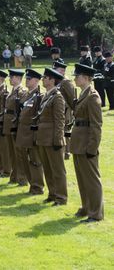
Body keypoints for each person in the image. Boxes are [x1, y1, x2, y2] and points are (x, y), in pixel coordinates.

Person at [70, 63, 104, 223]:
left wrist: (92, 147)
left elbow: (96, 125)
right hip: (78, 142)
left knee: (91, 179)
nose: (75, 79)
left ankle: (96, 213)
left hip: (86, 144)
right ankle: (86, 207)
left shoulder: (93, 96)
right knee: (82, 178)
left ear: (86, 78)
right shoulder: (83, 93)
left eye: (77, 76)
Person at [36, 68, 67, 206]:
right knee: (47, 168)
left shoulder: (58, 97)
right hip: (43, 137)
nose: (43, 79)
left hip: (52, 138)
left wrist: (58, 139)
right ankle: (52, 193)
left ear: (52, 80)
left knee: (57, 169)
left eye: (45, 77)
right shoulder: (47, 95)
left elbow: (60, 120)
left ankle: (61, 197)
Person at [15, 69, 45, 195]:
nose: (27, 81)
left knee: (35, 161)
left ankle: (37, 186)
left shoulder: (39, 96)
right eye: (26, 78)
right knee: (24, 160)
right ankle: (31, 183)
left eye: (29, 79)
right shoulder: (27, 95)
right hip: (22, 131)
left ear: (37, 81)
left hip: (32, 132)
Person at [3, 69, 27, 185]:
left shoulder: (22, 92)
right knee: (11, 153)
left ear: (18, 78)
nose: (10, 79)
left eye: (12, 77)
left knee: (18, 153)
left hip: (15, 124)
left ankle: (22, 177)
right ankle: (14, 176)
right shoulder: (12, 91)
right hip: (8, 124)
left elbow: (20, 110)